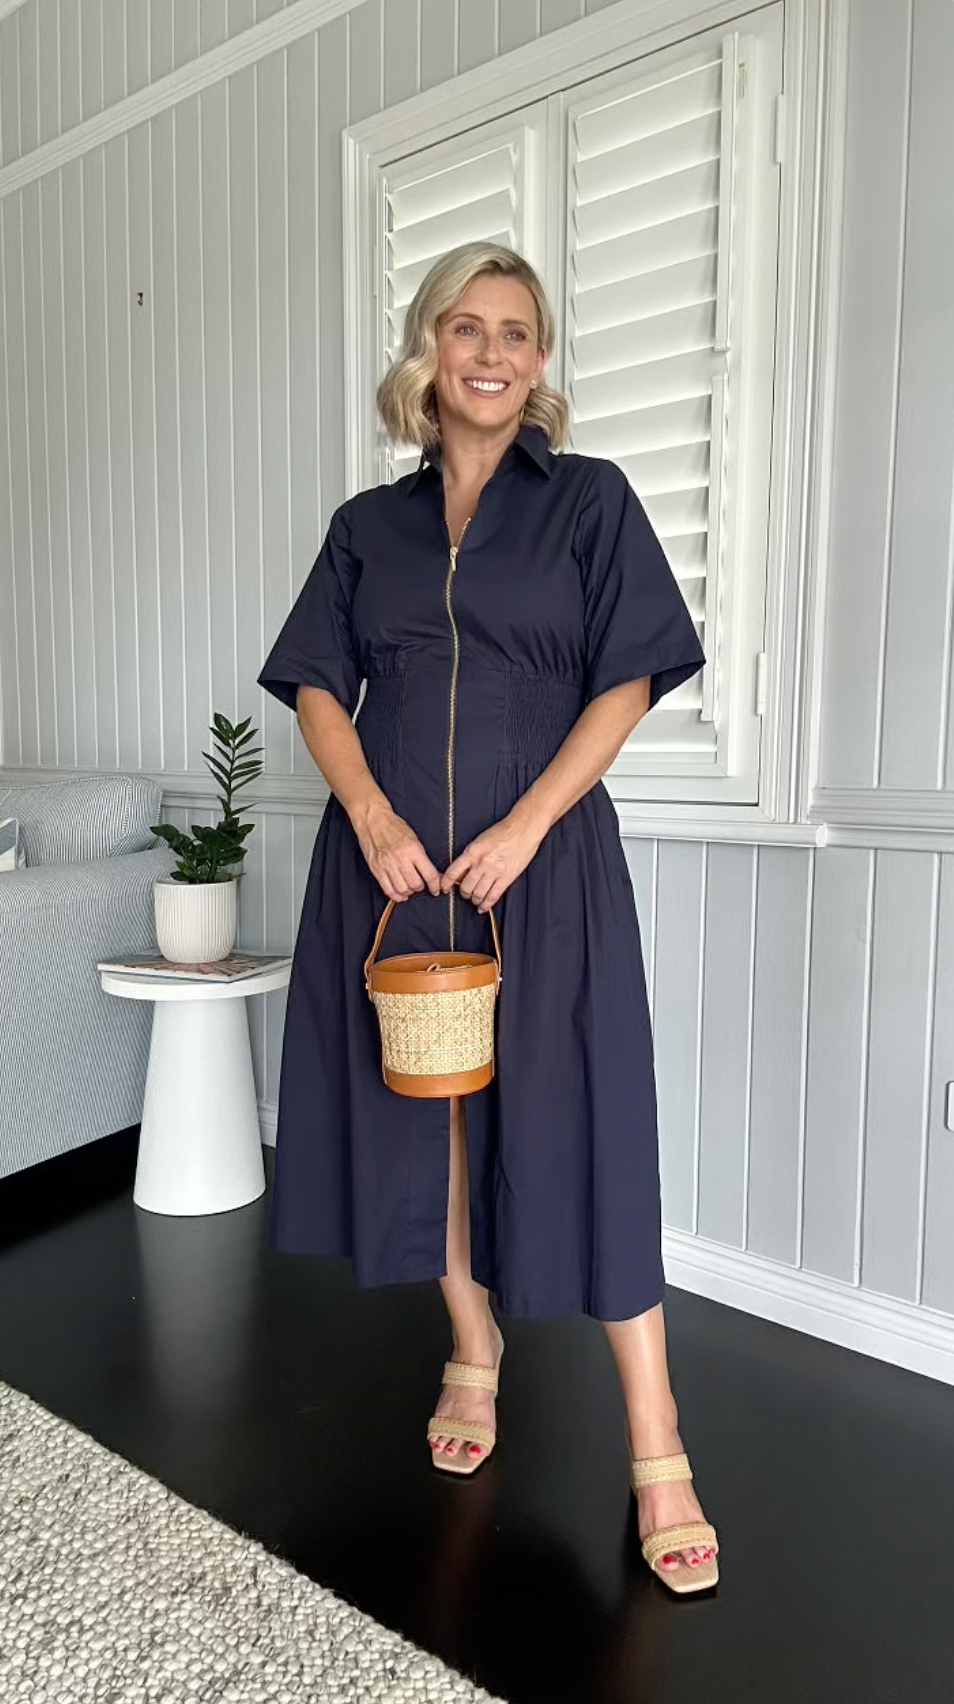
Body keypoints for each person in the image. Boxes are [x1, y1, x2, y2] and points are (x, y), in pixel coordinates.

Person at [258, 240, 718, 1594]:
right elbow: (319, 687)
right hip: (396, 875)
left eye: (517, 331)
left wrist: (524, 827)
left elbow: (626, 681)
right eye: (467, 326)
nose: (493, 351)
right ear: (428, 347)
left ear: (540, 359)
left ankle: (657, 1440)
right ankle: (473, 1344)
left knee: (593, 1122)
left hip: (543, 867)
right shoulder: (368, 527)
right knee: (435, 1117)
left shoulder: (588, 501)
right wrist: (371, 818)